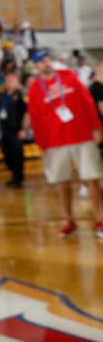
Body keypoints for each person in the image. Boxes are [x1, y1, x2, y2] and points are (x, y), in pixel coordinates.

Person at [26, 50, 103, 238]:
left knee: (92, 178)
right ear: (36, 66)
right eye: (42, 61)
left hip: (82, 135)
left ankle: (100, 219)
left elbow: (87, 101)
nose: (47, 63)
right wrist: (42, 145)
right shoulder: (34, 89)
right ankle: (69, 220)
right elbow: (36, 119)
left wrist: (96, 127)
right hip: (55, 140)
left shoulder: (69, 76)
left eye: (48, 59)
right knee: (62, 182)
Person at [0, 72, 29, 187]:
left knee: (17, 153)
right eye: (7, 80)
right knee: (6, 151)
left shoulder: (21, 96)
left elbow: (27, 113)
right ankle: (13, 174)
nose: (8, 83)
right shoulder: (2, 96)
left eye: (11, 81)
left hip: (16, 128)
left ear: (17, 83)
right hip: (5, 128)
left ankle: (18, 178)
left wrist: (24, 129)